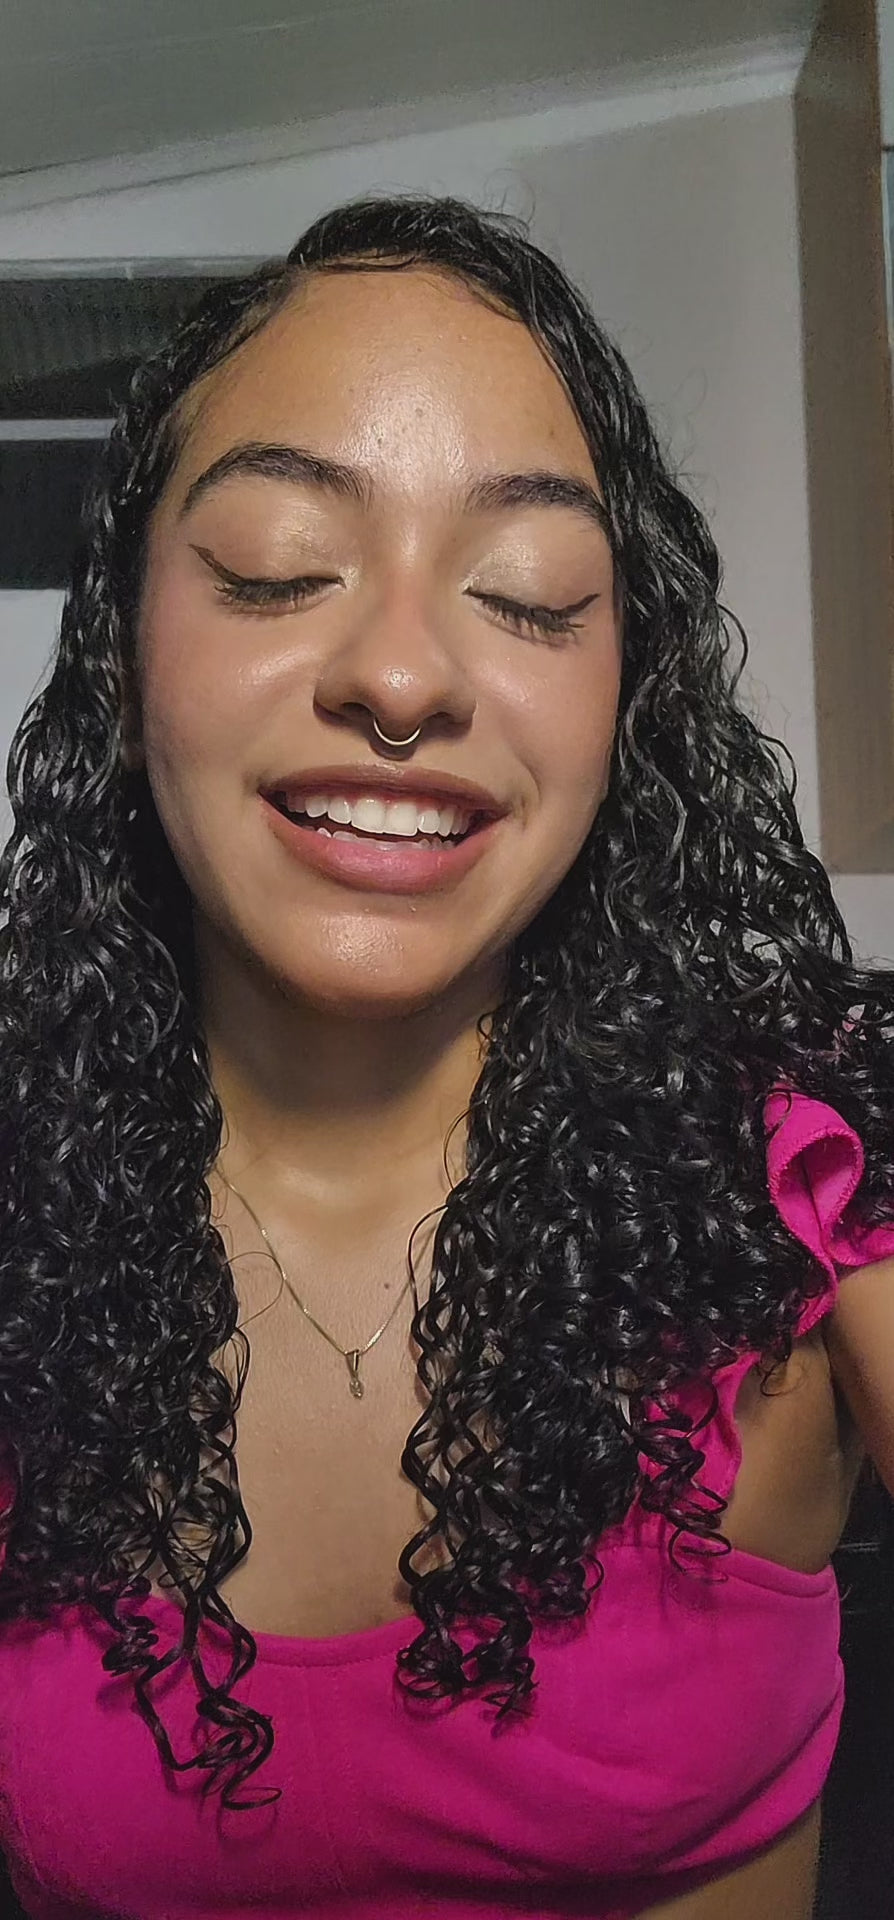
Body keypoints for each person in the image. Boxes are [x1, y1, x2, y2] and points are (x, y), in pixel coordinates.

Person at [0, 192, 891, 1920]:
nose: (403, 676)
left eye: (527, 594)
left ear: (626, 692)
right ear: (120, 645)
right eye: (277, 564)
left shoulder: (808, 1168)